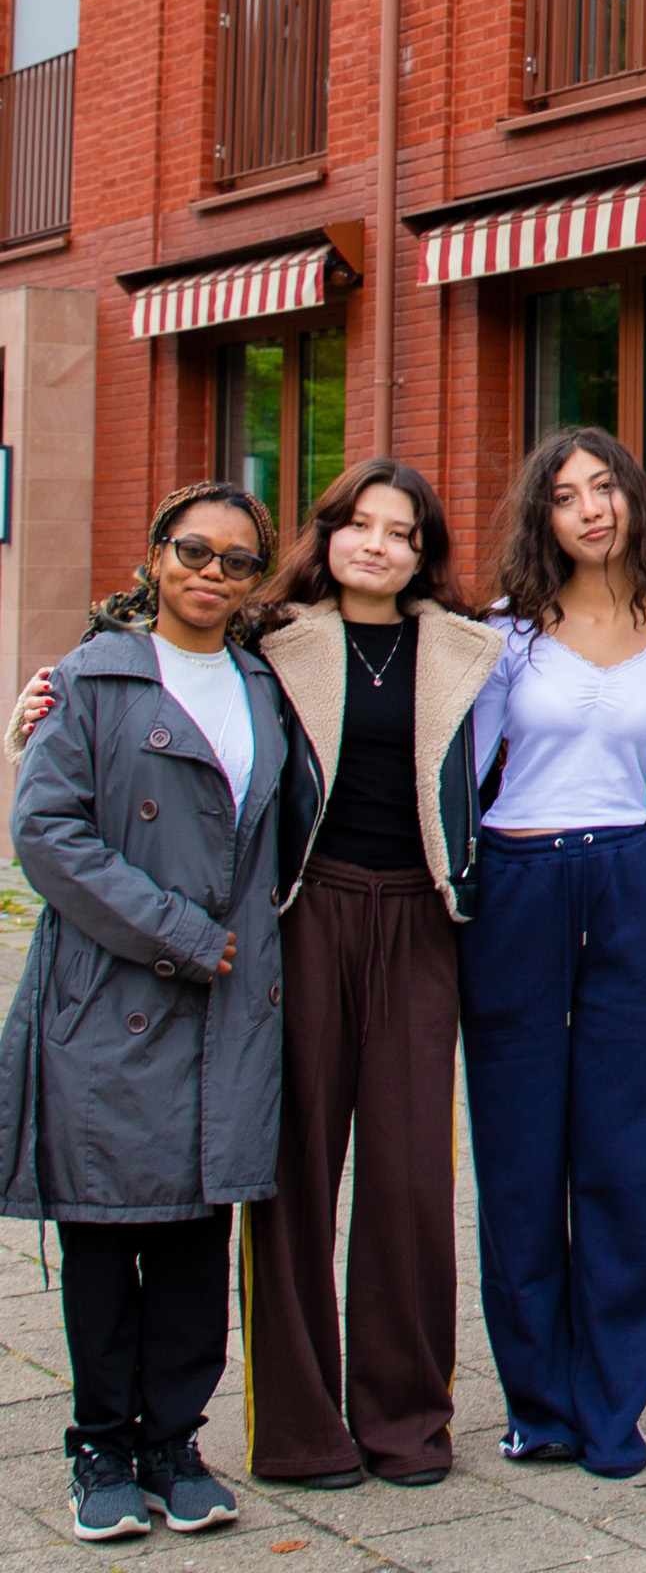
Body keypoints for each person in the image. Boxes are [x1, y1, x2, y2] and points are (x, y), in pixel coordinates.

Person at [0, 484, 295, 1540]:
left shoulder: (268, 685)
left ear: (257, 581)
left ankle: (173, 1438)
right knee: (103, 1227)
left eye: (236, 560)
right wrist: (176, 928)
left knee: (193, 1228)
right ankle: (99, 1443)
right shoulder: (90, 679)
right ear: (155, 554)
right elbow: (46, 833)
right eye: (192, 550)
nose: (211, 572)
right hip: (113, 992)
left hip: (229, 1002)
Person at [238, 461, 502, 1491]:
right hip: (305, 913)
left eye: (402, 531)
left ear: (424, 551)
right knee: (295, 1171)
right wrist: (41, 702)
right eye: (360, 523)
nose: (378, 544)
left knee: (408, 1181)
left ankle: (404, 1421)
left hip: (421, 919)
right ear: (329, 532)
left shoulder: (469, 649)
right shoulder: (269, 641)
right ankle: (299, 1429)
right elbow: (150, 647)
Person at [462, 429, 646, 1480]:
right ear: (544, 518)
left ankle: (614, 1397)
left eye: (606, 487)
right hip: (516, 881)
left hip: (626, 877)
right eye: (566, 496)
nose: (591, 508)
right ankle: (539, 1401)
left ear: (633, 500)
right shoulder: (503, 635)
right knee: (520, 1149)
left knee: (631, 1146)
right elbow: (456, 773)